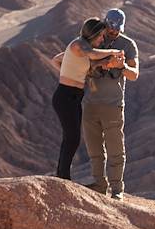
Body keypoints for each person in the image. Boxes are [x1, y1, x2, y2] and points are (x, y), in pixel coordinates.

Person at [49, 18, 123, 182]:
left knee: (72, 137)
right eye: (101, 36)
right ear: (94, 33)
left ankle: (62, 175)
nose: (102, 39)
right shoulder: (77, 45)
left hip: (74, 97)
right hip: (65, 96)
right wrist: (113, 52)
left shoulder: (82, 49)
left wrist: (106, 62)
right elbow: (92, 55)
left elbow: (59, 60)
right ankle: (62, 177)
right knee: (72, 137)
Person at [81, 7, 139, 199]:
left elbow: (134, 75)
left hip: (113, 105)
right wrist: (101, 64)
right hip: (90, 104)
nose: (114, 31)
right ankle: (99, 184)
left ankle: (117, 189)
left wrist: (121, 66)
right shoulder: (94, 40)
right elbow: (81, 64)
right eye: (111, 27)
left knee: (115, 149)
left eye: (117, 28)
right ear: (105, 24)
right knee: (94, 148)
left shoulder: (128, 45)